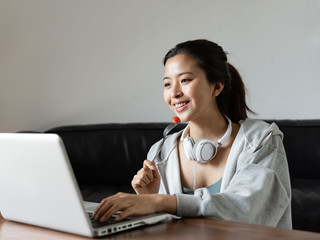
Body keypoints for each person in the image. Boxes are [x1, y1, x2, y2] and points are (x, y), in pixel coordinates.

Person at [93, 39, 292, 229]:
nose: (174, 93)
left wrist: (160, 201)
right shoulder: (161, 152)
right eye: (167, 84)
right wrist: (148, 199)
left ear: (216, 86)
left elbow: (244, 209)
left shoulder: (261, 141)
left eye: (185, 80)